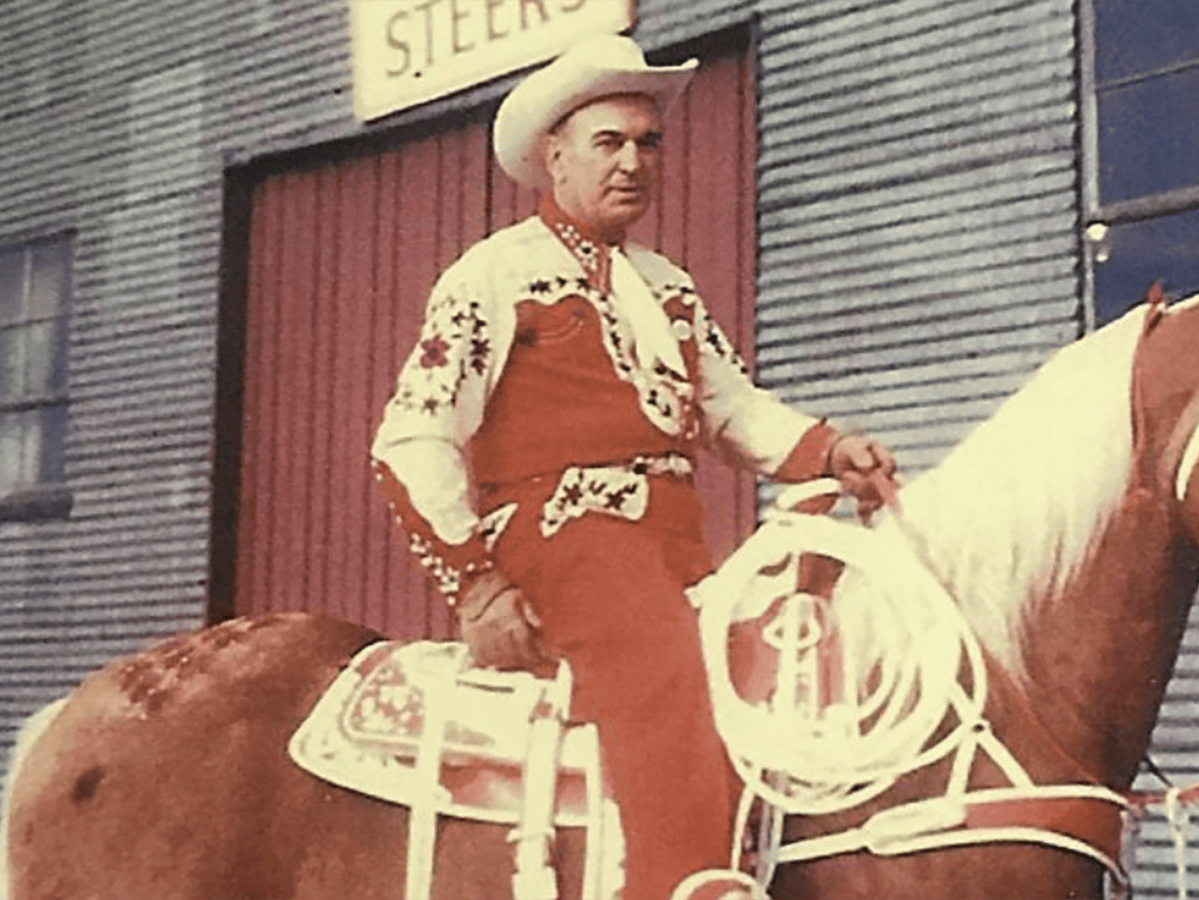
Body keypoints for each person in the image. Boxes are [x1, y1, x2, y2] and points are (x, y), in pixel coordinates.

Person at [370, 34, 896, 899]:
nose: (633, 163)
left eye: (648, 143)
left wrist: (831, 449)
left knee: (788, 648)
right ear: (554, 157)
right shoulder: (494, 277)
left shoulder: (669, 287)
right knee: (662, 663)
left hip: (670, 546)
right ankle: (689, 886)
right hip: (562, 539)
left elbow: (732, 407)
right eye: (608, 143)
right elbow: (411, 438)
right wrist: (476, 585)